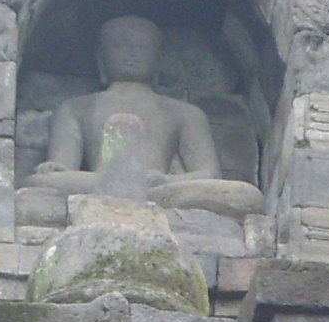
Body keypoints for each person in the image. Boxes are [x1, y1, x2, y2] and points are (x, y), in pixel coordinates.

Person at [36, 15, 265, 215]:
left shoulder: (185, 113)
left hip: (159, 187)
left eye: (143, 47)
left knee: (245, 195)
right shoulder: (74, 108)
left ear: (158, 60)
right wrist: (55, 169)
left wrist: (166, 180)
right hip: (98, 183)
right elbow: (62, 167)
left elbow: (209, 174)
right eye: (119, 46)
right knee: (39, 184)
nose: (131, 53)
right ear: (100, 58)